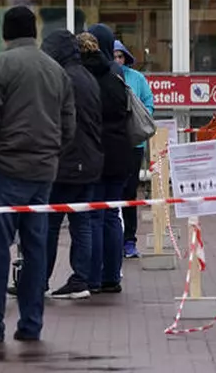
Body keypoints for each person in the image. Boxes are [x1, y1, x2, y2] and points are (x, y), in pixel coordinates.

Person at [0, 7, 74, 344]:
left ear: (5, 33)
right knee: (35, 249)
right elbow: (68, 124)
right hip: (42, 172)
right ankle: (31, 324)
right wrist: (51, 154)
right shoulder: (55, 70)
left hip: (4, 171)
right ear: (34, 32)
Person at [41, 30, 103, 300]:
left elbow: (57, 122)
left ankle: (39, 280)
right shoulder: (87, 76)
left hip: (67, 162)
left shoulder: (63, 78)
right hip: (89, 160)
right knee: (82, 222)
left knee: (50, 224)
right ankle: (81, 279)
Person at [79, 30, 129, 294]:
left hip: (95, 153)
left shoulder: (84, 77)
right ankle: (112, 276)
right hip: (120, 152)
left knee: (94, 217)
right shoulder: (117, 75)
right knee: (112, 215)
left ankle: (93, 278)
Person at [113, 39, 154, 259]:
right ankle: (113, 240)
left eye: (120, 56)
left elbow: (149, 103)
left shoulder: (137, 78)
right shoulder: (105, 77)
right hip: (112, 143)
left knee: (129, 192)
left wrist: (138, 118)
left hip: (134, 143)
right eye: (113, 56)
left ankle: (129, 240)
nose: (117, 60)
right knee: (111, 193)